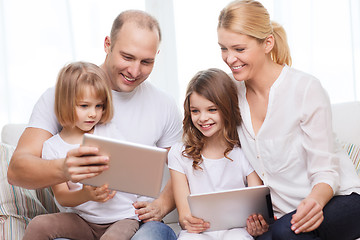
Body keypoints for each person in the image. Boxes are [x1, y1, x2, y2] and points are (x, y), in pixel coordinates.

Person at [8, 10, 182, 240]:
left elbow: (184, 166)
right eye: (127, 57)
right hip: (82, 220)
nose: (135, 70)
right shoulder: (60, 97)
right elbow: (17, 170)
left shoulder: (164, 104)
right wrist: (65, 169)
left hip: (136, 222)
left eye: (147, 61)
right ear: (107, 44)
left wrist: (162, 204)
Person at [216, 0, 360, 239]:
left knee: (284, 232)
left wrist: (313, 202)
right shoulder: (232, 94)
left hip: (337, 198)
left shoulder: (304, 89)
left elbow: (326, 171)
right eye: (223, 48)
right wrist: (257, 216)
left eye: (239, 49)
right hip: (284, 214)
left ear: (267, 43)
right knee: (266, 235)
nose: (230, 59)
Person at [22, 61, 141, 240]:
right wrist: (86, 194)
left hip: (122, 218)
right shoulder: (52, 147)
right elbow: (62, 197)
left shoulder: (108, 131)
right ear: (65, 104)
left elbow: (129, 167)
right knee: (38, 225)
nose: (93, 113)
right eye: (84, 106)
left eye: (98, 106)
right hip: (83, 221)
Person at [168, 68, 263, 240]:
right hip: (197, 233)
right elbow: (184, 216)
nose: (202, 118)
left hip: (237, 231)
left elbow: (257, 206)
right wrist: (188, 222)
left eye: (212, 110)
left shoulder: (244, 151)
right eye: (195, 111)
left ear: (226, 109)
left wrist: (257, 225)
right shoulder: (179, 154)